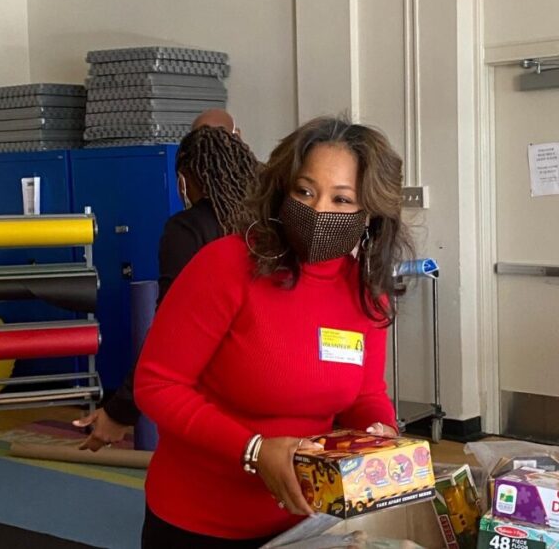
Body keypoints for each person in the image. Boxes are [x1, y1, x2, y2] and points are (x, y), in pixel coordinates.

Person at [134, 116, 415, 547]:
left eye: (341, 200)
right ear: (282, 190)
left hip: (306, 523)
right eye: (305, 191)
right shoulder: (224, 265)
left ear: (369, 214)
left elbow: (364, 394)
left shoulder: (366, 290)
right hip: (198, 521)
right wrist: (254, 449)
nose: (318, 211)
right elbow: (158, 384)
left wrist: (381, 434)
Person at [74, 111, 260, 451]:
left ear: (186, 178)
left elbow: (169, 329)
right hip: (266, 386)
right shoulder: (268, 222)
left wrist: (120, 410)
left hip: (212, 388)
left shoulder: (188, 229)